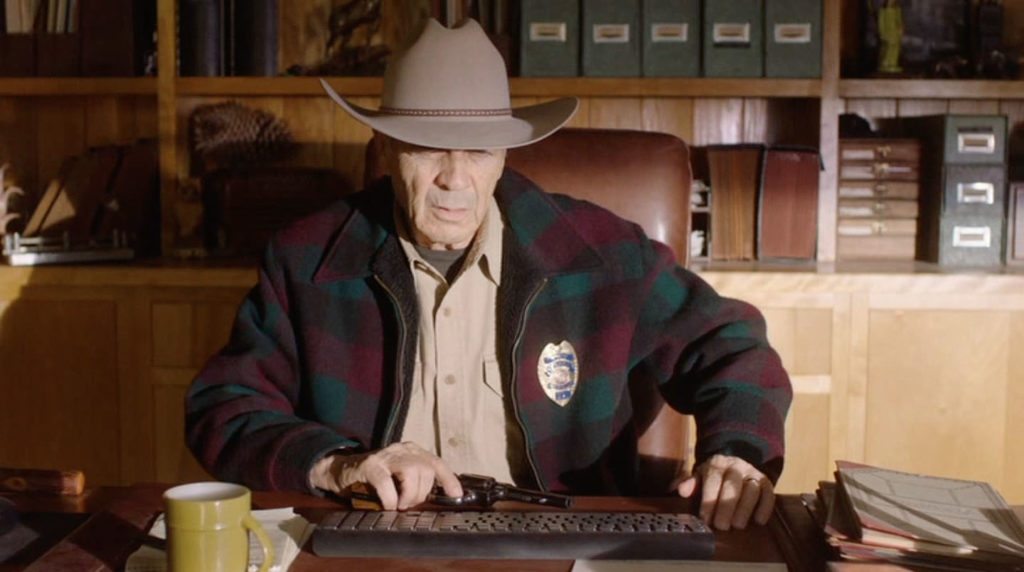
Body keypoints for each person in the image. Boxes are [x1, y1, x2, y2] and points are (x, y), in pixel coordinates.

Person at [186, 18, 792, 532]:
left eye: (478, 150)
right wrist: (338, 464)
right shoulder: (306, 258)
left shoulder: (602, 254)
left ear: (505, 153)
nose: (455, 179)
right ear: (387, 144)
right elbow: (225, 407)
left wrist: (737, 454)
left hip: (563, 540)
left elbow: (732, 344)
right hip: (375, 540)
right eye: (427, 148)